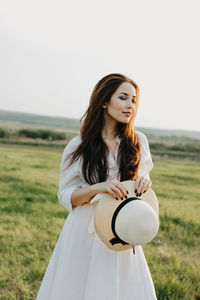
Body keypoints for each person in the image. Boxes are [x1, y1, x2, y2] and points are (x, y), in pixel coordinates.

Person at [36, 73, 157, 300]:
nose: (130, 105)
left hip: (122, 228)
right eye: (123, 98)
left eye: (133, 100)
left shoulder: (138, 142)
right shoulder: (78, 146)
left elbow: (141, 183)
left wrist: (144, 183)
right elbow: (66, 195)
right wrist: (97, 188)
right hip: (84, 230)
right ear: (104, 101)